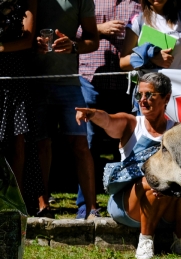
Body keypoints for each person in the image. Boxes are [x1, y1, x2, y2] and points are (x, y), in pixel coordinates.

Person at [75, 72, 181, 259]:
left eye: (149, 95)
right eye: (139, 95)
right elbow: (107, 120)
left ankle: (180, 241)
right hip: (128, 206)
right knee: (152, 180)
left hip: (167, 205)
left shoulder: (178, 131)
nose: (143, 100)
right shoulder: (131, 124)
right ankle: (146, 240)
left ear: (166, 98)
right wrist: (92, 114)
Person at [74, 0, 143, 219]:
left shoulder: (139, 4)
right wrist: (99, 30)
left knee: (125, 145)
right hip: (90, 79)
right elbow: (71, 32)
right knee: (89, 144)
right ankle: (86, 205)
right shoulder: (91, 1)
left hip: (125, 85)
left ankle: (126, 204)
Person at [33, 0, 101, 219]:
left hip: (69, 83)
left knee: (80, 144)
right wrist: (31, 43)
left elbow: (93, 39)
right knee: (41, 144)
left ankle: (91, 210)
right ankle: (43, 207)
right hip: (34, 80)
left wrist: (74, 46)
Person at [0, 0, 45, 215]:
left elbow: (27, 40)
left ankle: (15, 203)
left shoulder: (28, 0)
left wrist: (1, 48)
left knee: (18, 142)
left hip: (15, 75)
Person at [119, 0, 181, 71]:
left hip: (178, 87)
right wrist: (151, 58)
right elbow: (123, 63)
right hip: (149, 86)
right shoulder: (137, 20)